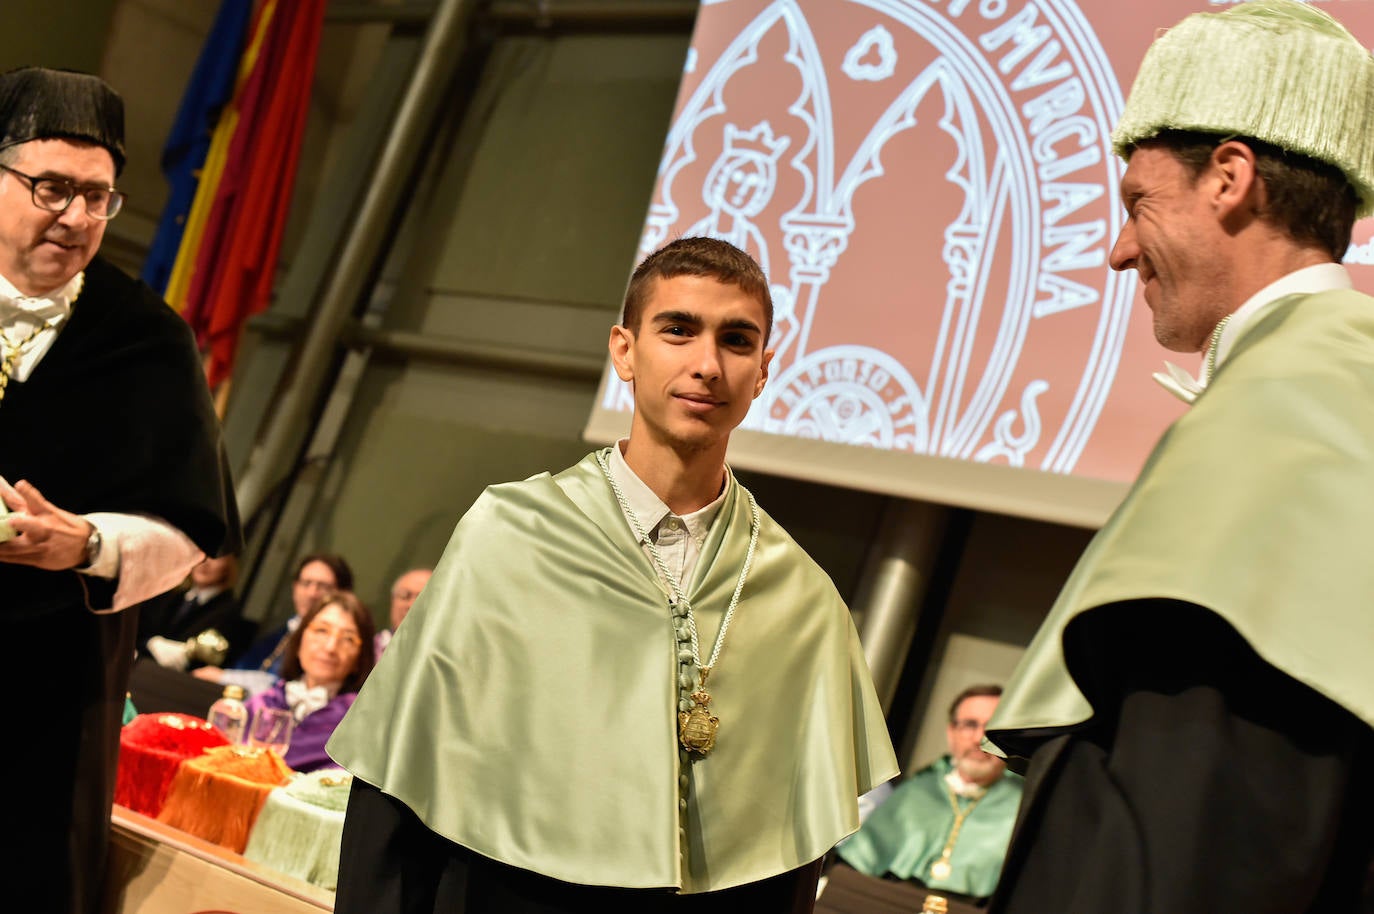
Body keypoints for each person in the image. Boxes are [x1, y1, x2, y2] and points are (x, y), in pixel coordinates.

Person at [327, 236, 898, 913]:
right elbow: (395, 792)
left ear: (765, 369)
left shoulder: (803, 600)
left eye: (737, 341)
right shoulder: (510, 535)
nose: (707, 365)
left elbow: (790, 865)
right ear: (624, 349)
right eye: (679, 330)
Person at [982, 3, 1374, 912]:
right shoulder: (1329, 388)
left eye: (1137, 203)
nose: (1119, 250)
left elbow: (1199, 824)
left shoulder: (1289, 411)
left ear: (1230, 178)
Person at [0, 67, 239, 914]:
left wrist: (88, 544)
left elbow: (190, 527)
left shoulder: (148, 339)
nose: (75, 216)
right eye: (51, 187)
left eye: (98, 197)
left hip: (40, 691)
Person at [836, 685, 1021, 904]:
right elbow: (856, 869)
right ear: (951, 732)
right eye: (970, 725)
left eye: (991, 729)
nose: (978, 739)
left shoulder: (1022, 807)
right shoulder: (914, 793)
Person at [245, 591, 376, 773]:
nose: (330, 647)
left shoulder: (357, 726)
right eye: (322, 630)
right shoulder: (261, 703)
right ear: (299, 640)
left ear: (360, 660)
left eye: (348, 639)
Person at [194, 551, 353, 693]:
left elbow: (287, 688)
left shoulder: (334, 644)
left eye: (323, 586)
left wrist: (224, 677)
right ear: (294, 587)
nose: (312, 593)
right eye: (306, 583)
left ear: (342, 594)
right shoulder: (286, 629)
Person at [137, 553, 249, 670]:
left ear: (227, 567)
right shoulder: (170, 595)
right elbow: (141, 630)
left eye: (214, 558)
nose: (205, 563)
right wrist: (151, 643)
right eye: (201, 555)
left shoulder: (229, 611)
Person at [373, 565, 432, 655]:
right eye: (405, 596)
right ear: (392, 600)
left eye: (422, 597)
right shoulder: (369, 650)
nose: (411, 605)